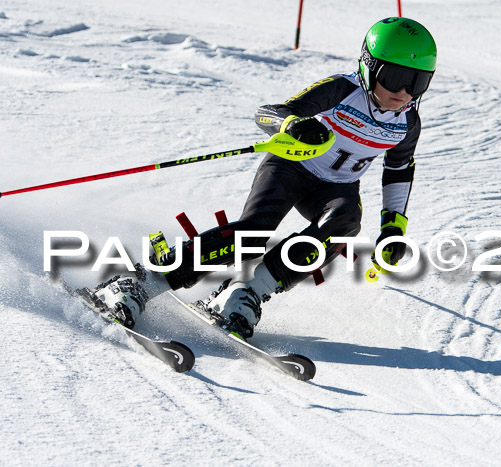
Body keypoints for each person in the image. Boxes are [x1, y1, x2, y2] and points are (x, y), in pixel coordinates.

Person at [89, 17, 438, 339]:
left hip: (336, 187)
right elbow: (271, 113)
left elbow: (399, 169)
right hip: (290, 168)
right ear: (369, 66)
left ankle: (246, 291)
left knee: (345, 222)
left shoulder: (407, 123)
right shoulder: (341, 91)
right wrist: (293, 125)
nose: (405, 92)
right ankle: (142, 281)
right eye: (394, 77)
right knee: (254, 233)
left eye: (417, 82)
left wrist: (393, 227)